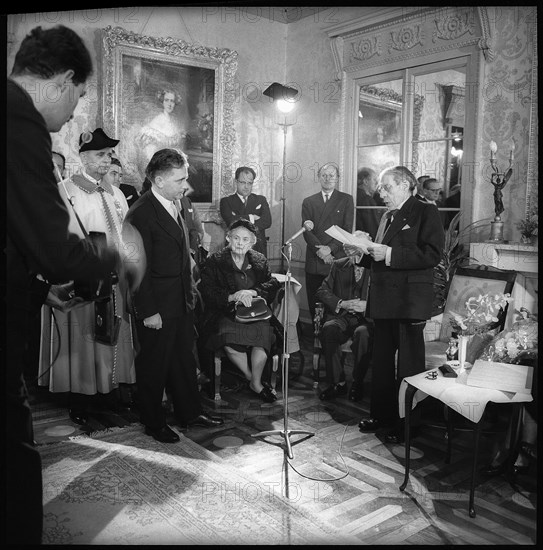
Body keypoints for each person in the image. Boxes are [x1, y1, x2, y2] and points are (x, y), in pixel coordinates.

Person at [6, 25, 139, 545]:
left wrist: (43, 291)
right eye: (79, 95)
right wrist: (114, 259)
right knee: (15, 461)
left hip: (33, 290)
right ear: (61, 80)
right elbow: (53, 243)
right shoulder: (20, 122)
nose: (73, 111)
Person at [38, 128, 137, 425]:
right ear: (83, 157)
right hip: (82, 277)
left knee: (111, 336)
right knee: (84, 337)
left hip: (114, 275)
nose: (106, 160)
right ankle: (81, 399)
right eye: (99, 154)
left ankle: (109, 393)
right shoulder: (67, 191)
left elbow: (126, 233)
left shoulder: (116, 192)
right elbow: (54, 237)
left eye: (109, 154)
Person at [124, 148, 223, 443]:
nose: (186, 185)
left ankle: (189, 413)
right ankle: (153, 422)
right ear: (158, 179)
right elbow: (136, 268)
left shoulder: (173, 204)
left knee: (182, 360)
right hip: (157, 306)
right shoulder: (140, 213)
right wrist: (148, 310)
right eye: (180, 179)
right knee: (154, 365)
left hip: (180, 301)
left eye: (186, 178)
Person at [352, 166, 444, 443]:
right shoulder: (387, 217)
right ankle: (382, 416)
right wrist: (360, 252)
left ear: (405, 185)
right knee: (381, 364)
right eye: (380, 188)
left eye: (387, 187)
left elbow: (432, 254)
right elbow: (379, 256)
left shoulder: (426, 211)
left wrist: (389, 253)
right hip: (383, 300)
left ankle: (408, 424)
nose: (381, 193)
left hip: (408, 301)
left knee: (408, 367)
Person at [199, 219, 282, 402]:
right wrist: (233, 296)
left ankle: (256, 382)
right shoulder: (215, 261)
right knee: (227, 337)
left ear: (252, 242)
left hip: (256, 313)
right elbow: (208, 291)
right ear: (228, 238)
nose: (240, 243)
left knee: (263, 334)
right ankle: (253, 380)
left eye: (245, 239)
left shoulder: (259, 260)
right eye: (236, 238)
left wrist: (252, 292)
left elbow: (272, 284)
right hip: (225, 313)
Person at [314, 234, 374, 402]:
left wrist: (367, 305)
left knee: (363, 335)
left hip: (365, 319)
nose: (353, 252)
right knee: (328, 329)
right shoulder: (339, 265)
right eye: (350, 247)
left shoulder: (376, 268)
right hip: (341, 316)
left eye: (358, 248)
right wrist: (342, 303)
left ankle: (357, 382)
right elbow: (322, 291)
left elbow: (388, 297)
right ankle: (338, 383)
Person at [301, 162, 354, 322]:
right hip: (315, 258)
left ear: (337, 178)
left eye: (332, 175)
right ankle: (316, 339)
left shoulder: (346, 199)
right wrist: (320, 250)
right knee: (314, 301)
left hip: (335, 258)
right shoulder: (309, 201)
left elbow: (346, 229)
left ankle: (330, 339)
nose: (328, 178)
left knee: (334, 303)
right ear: (318, 178)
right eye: (324, 175)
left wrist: (329, 249)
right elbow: (306, 230)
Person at [137, 88, 188, 181]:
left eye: (172, 101)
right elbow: (152, 149)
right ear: (162, 102)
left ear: (175, 103)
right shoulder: (158, 120)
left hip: (173, 164)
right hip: (161, 165)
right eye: (167, 100)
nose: (169, 104)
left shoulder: (175, 121)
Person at [220, 167, 272, 256]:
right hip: (235, 249)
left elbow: (267, 221)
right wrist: (251, 217)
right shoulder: (226, 201)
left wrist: (239, 219)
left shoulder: (261, 200)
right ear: (236, 182)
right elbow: (230, 221)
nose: (246, 186)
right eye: (243, 182)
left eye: (249, 183)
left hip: (258, 248)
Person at [355, 167, 381, 240]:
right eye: (374, 180)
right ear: (366, 181)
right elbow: (373, 229)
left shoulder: (356, 195)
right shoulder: (366, 200)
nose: (377, 183)